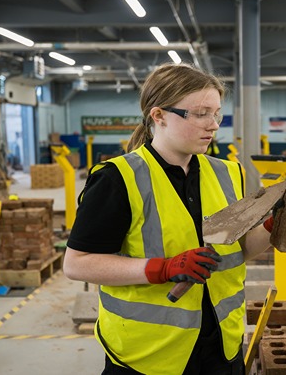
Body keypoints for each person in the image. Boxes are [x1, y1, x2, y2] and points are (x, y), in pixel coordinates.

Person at [63, 63, 275, 375]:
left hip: (221, 345)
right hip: (148, 355)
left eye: (216, 113)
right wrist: (163, 268)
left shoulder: (228, 172)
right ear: (159, 116)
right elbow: (77, 263)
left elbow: (237, 250)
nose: (213, 125)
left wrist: (276, 225)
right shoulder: (118, 179)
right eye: (200, 113)